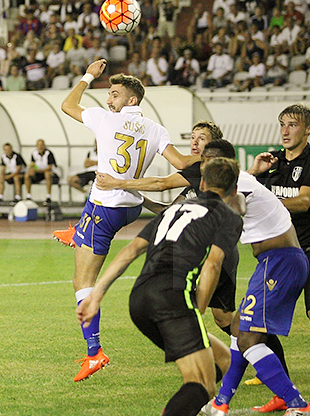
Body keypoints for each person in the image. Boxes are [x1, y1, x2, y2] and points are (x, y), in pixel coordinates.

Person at [79, 158, 242, 416]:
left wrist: (95, 295)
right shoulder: (227, 216)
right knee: (204, 385)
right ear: (233, 190)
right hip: (173, 298)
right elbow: (212, 266)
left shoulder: (172, 210)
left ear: (202, 183)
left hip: (139, 300)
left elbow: (129, 252)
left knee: (220, 358)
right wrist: (197, 308)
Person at [56, 59, 200, 382]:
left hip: (105, 209)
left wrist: (88, 76)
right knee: (94, 207)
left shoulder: (105, 120)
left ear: (131, 100)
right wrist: (210, 157)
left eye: (115, 94)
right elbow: (180, 163)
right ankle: (78, 232)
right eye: (109, 93)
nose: (109, 99)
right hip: (131, 205)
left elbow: (67, 105)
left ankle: (94, 353)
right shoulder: (155, 129)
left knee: (82, 284)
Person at [198, 139, 310, 416]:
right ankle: (220, 402)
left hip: (281, 262)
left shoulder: (239, 184)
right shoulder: (240, 179)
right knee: (240, 330)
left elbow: (238, 202)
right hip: (273, 263)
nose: (203, 166)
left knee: (249, 338)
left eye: (207, 161)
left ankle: (299, 406)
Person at [248, 104, 310, 416]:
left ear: (308, 129)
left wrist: (266, 200)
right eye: (282, 124)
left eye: (293, 124)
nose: (286, 130)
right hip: (280, 256)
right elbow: (244, 193)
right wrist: (254, 172)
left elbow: (303, 202)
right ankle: (282, 394)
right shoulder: (271, 161)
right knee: (264, 324)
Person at [94, 125, 239, 336]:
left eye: (202, 139)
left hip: (215, 252)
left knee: (193, 318)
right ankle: (251, 350)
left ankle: (249, 350)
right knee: (221, 317)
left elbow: (162, 183)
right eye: (193, 138)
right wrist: (139, 198)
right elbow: (169, 211)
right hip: (203, 252)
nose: (194, 143)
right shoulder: (196, 175)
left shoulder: (212, 175)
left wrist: (119, 183)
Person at [24, 139, 58, 206]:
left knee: (47, 174)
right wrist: (31, 170)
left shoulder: (49, 153)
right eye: (39, 145)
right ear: (36, 146)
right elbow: (32, 164)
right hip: (39, 173)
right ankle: (28, 195)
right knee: (27, 175)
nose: (40, 147)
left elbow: (49, 167)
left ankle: (48, 196)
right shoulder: (34, 153)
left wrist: (38, 170)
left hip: (50, 173)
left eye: (42, 145)